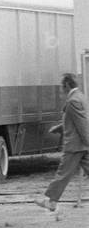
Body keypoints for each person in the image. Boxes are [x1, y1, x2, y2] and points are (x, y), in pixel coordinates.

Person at [34, 73, 89, 212]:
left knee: (63, 173)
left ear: (67, 85)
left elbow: (82, 124)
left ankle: (51, 202)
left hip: (75, 146)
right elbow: (75, 120)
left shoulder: (73, 101)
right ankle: (52, 201)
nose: (60, 90)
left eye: (61, 86)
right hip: (81, 144)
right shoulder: (80, 97)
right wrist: (59, 128)